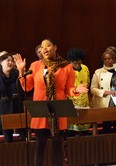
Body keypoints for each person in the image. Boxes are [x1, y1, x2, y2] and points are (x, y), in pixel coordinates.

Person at [13, 38, 88, 166]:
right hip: (41, 111)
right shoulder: (36, 65)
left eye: (48, 46)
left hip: (57, 111)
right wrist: (21, 71)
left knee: (57, 145)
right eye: (42, 47)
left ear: (55, 47)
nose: (45, 49)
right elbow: (27, 87)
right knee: (40, 145)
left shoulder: (67, 67)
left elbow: (68, 88)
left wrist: (76, 89)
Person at [0, 53, 24, 142]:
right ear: (1, 62)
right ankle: (9, 155)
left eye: (11, 61)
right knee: (8, 139)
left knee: (23, 136)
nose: (10, 62)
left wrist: (22, 71)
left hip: (17, 109)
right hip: (4, 111)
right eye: (8, 60)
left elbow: (24, 89)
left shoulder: (17, 75)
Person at [90, 47, 116, 134]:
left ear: (114, 60)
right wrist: (104, 92)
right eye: (105, 59)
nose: (107, 61)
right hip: (105, 101)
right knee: (106, 126)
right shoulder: (98, 72)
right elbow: (92, 88)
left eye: (109, 59)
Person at [66, 48, 91, 136]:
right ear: (70, 62)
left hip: (84, 101)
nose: (77, 65)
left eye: (79, 62)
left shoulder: (85, 68)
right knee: (72, 131)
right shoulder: (67, 70)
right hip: (72, 102)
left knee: (84, 130)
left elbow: (88, 81)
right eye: (74, 63)